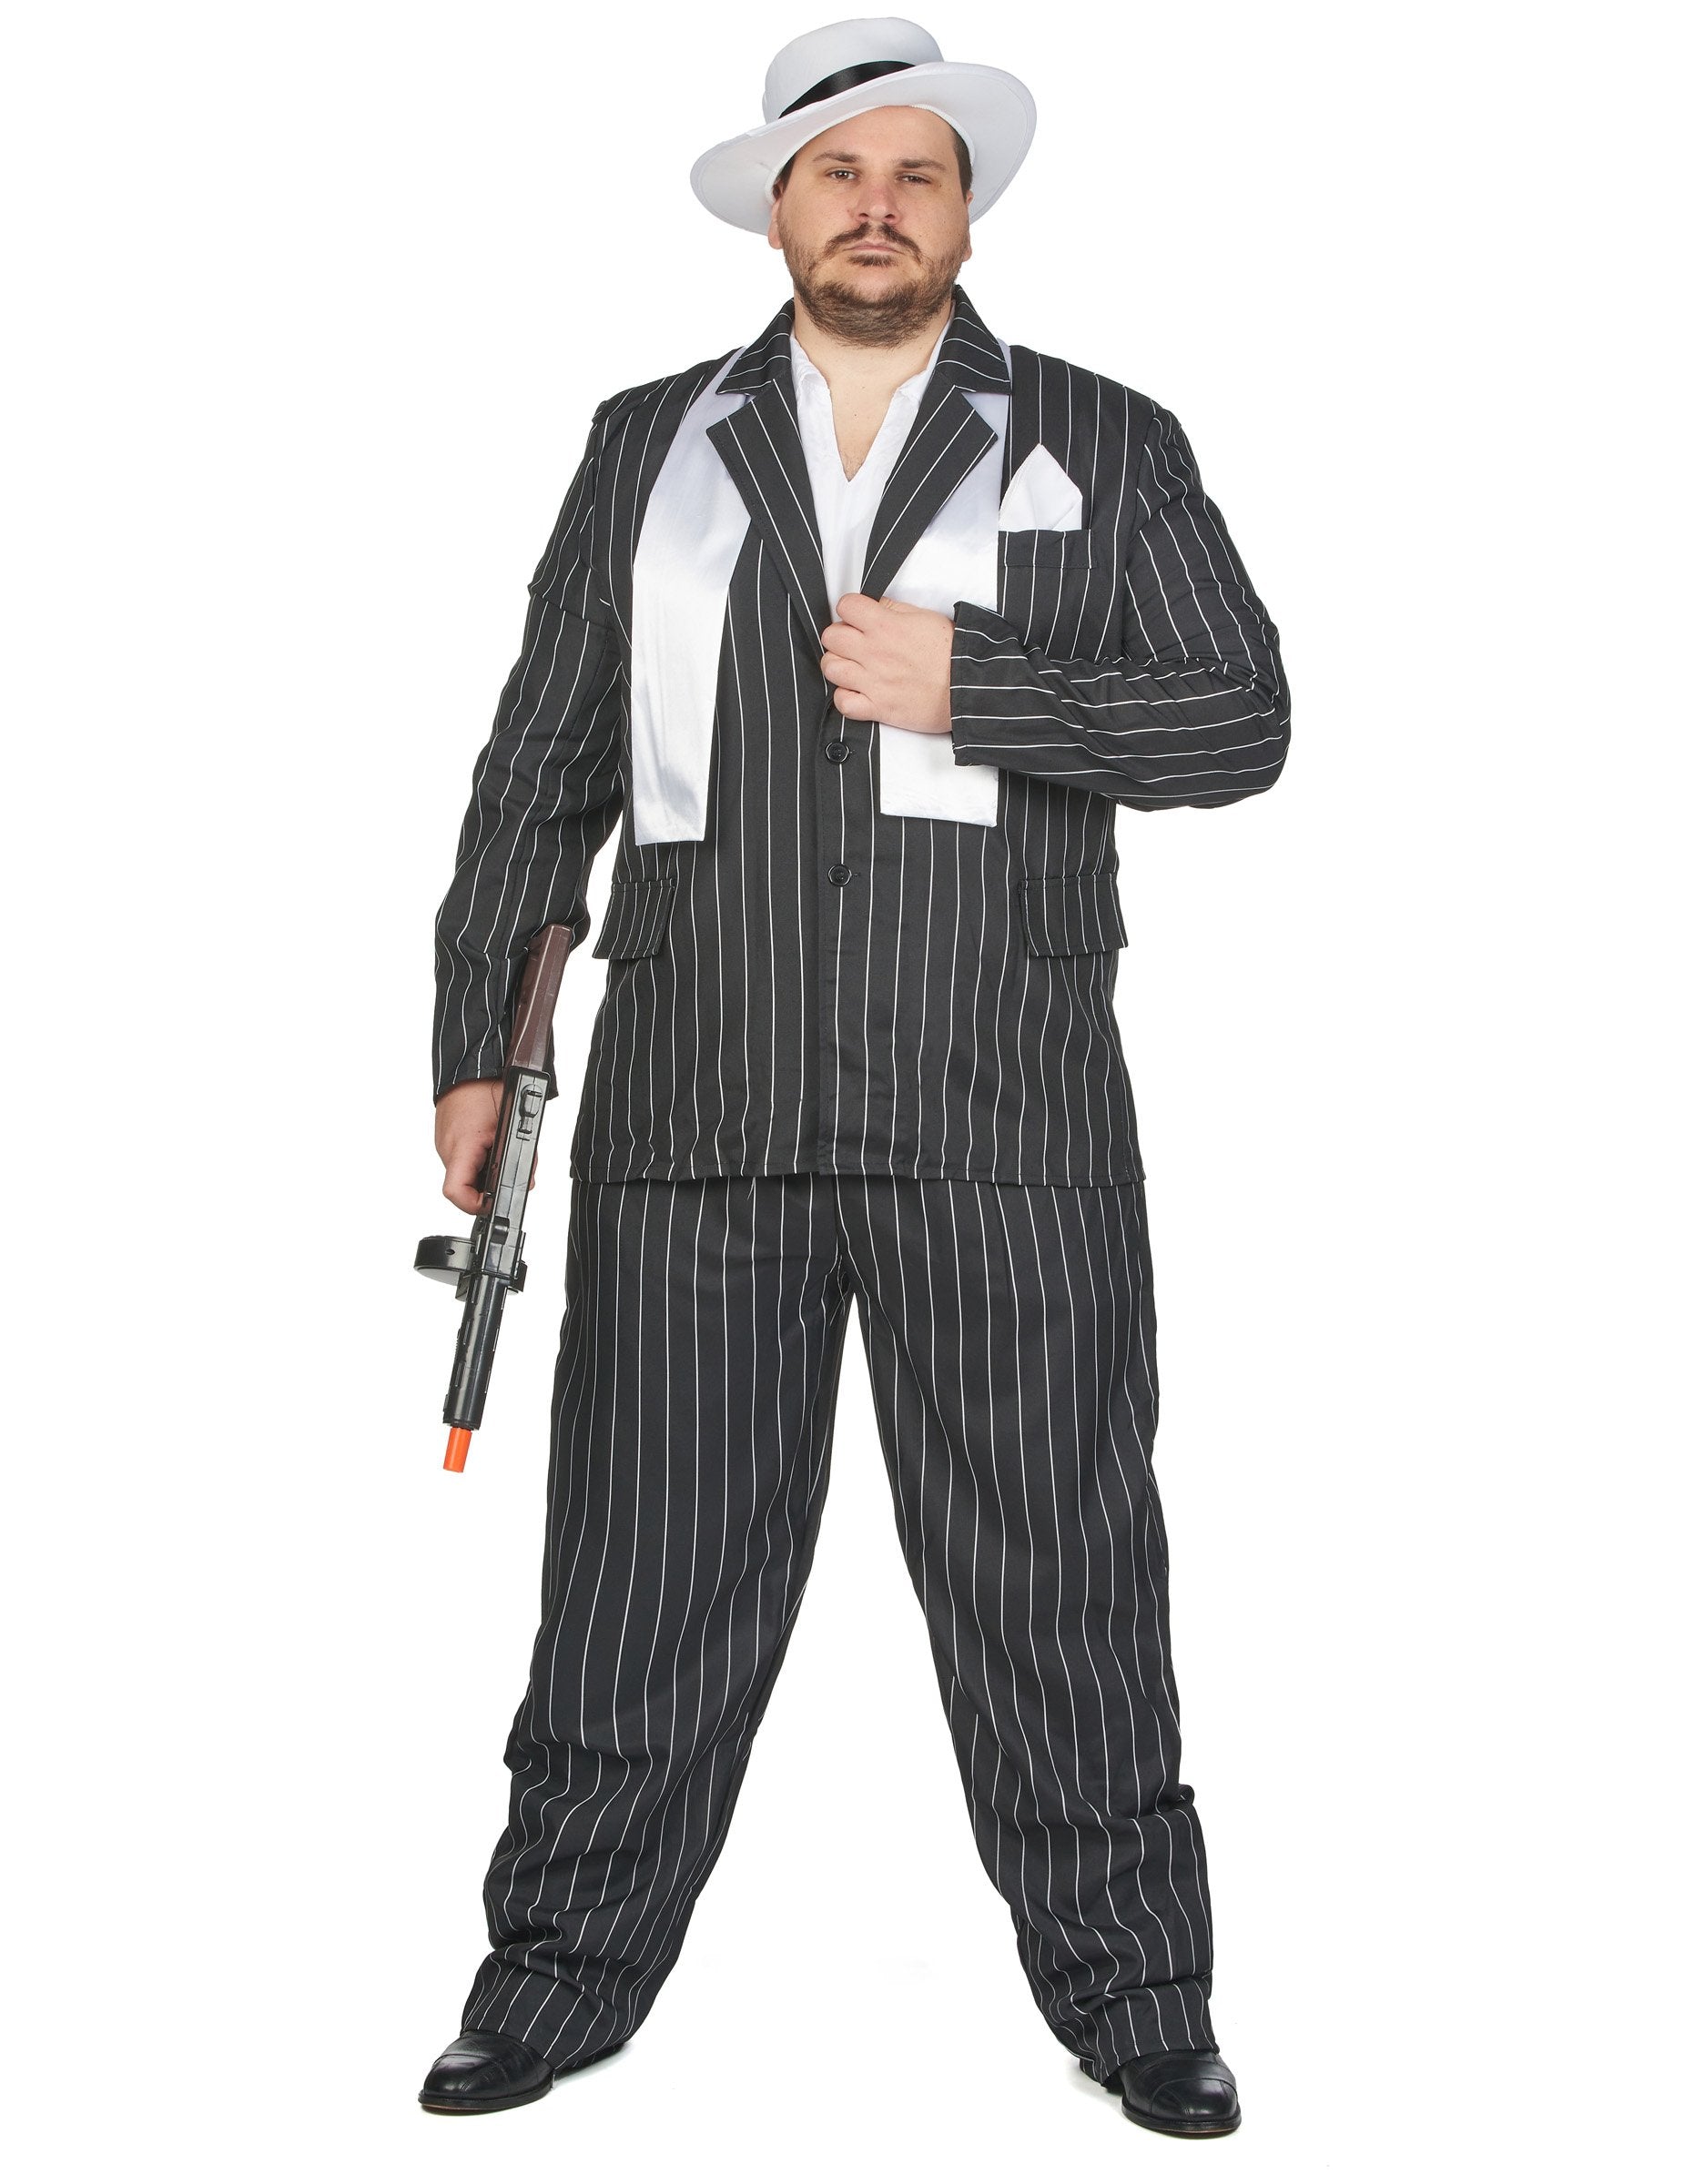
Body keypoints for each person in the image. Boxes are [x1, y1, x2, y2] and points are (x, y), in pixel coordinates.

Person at [420, 16, 1288, 2139]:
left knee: (1057, 1583)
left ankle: (1138, 1999)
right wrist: (478, 1048)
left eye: (916, 174)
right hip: (689, 1112)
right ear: (779, 209)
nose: (876, 206)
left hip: (1007, 1120)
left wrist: (982, 681)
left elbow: (1238, 722)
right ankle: (553, 1978)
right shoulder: (647, 445)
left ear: (965, 216)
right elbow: (542, 766)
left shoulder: (1100, 438)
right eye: (838, 173)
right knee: (637, 1580)